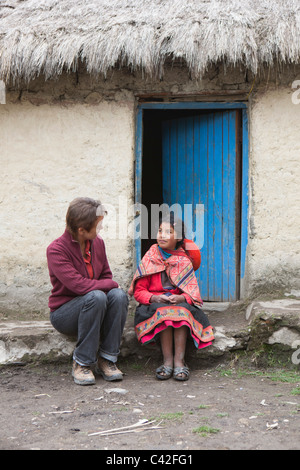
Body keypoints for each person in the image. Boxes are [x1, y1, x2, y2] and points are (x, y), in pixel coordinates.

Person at [46, 197, 128, 386]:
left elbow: (106, 275)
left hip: (95, 307)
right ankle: (81, 362)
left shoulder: (97, 243)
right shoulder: (56, 250)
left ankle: (107, 358)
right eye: (97, 226)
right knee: (98, 295)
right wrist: (111, 284)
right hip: (65, 314)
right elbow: (79, 286)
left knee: (119, 295)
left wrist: (112, 285)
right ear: (82, 230)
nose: (100, 229)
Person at [128, 215, 214, 381]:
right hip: (153, 306)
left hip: (179, 305)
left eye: (169, 232)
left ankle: (179, 361)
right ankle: (167, 361)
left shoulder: (183, 260)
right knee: (166, 313)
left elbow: (192, 294)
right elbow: (139, 292)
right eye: (160, 231)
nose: (162, 235)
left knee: (178, 311)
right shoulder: (150, 257)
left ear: (179, 237)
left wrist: (181, 299)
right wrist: (154, 298)